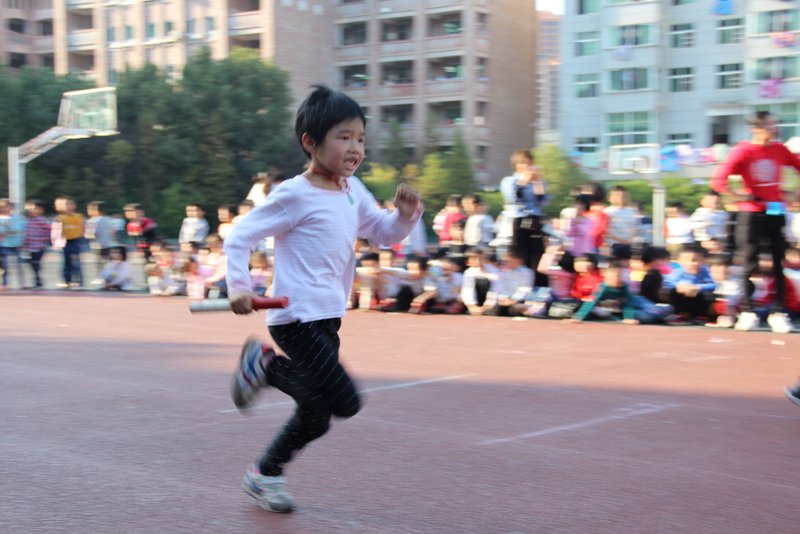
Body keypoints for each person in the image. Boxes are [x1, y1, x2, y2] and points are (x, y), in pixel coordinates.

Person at [223, 85, 422, 514]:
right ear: (310, 142)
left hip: (328, 317)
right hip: (294, 316)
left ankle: (264, 475)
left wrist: (404, 217)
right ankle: (265, 366)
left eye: (360, 139)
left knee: (316, 414)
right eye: (343, 137)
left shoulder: (352, 190)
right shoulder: (294, 194)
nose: (355, 148)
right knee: (345, 401)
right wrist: (239, 285)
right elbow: (239, 236)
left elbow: (382, 232)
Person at [711, 110, 800, 333]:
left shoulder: (780, 149)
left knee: (779, 263)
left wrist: (794, 193)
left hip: (775, 212)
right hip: (751, 213)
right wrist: (737, 195)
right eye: (770, 125)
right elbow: (718, 180)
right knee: (749, 263)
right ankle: (748, 311)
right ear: (757, 129)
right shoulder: (743, 151)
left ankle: (778, 313)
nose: (775, 129)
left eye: (775, 124)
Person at [55, 197, 85, 288]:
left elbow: (82, 228)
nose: (69, 207)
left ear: (74, 206)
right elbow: (58, 230)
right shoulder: (60, 218)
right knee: (66, 261)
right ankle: (67, 280)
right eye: (66, 205)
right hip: (65, 241)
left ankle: (78, 280)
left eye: (71, 204)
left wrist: (81, 237)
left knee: (76, 261)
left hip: (76, 240)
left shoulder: (78, 216)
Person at [21, 200, 51, 289]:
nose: (31, 211)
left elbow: (49, 230)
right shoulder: (27, 220)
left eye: (34, 209)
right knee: (30, 264)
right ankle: (33, 282)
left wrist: (46, 240)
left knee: (35, 263)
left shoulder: (41, 220)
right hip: (29, 247)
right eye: (29, 209)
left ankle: (38, 282)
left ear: (41, 210)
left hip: (39, 247)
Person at [0, 198, 26, 289]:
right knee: (4, 265)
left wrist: (22, 242)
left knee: (19, 264)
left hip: (16, 244)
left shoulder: (18, 218)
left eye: (7, 206)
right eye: (2, 207)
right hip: (2, 245)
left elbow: (20, 230)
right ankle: (5, 283)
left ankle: (22, 283)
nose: (4, 209)